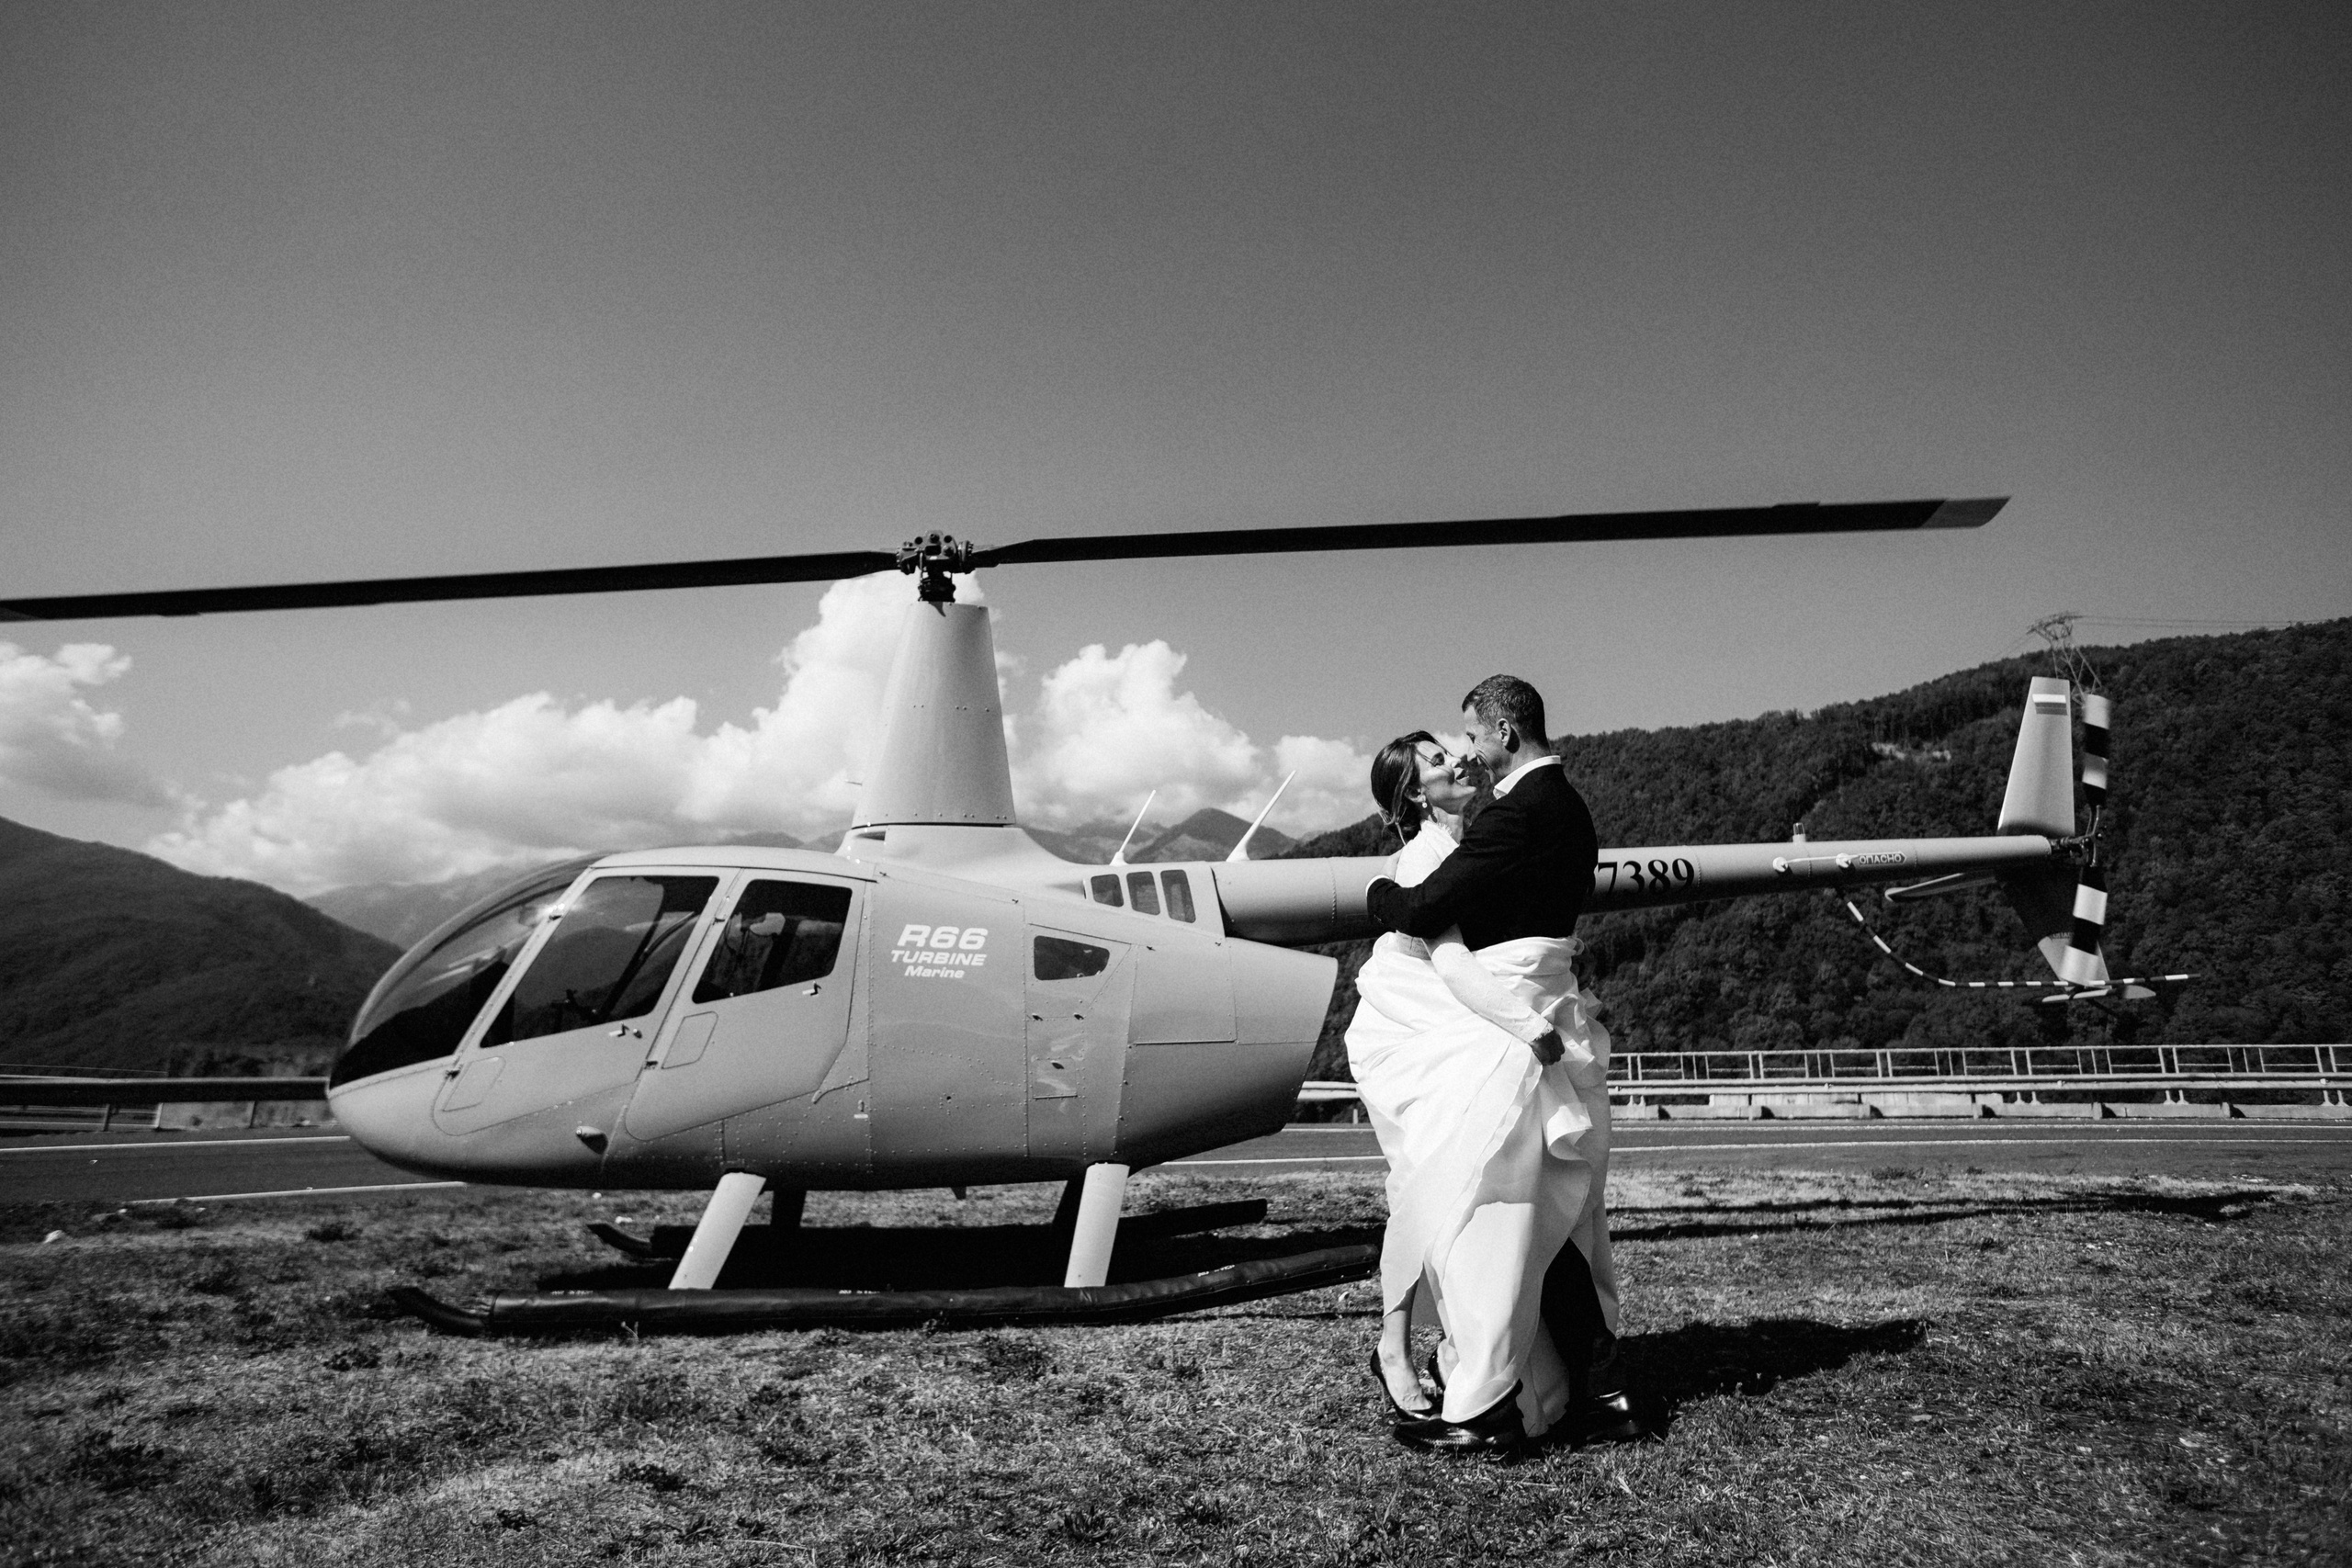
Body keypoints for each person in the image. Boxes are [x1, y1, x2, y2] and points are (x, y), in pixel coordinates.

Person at [1358, 675, 1639, 1453]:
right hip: (1512, 1025)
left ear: (1504, 734)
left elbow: (1425, 914)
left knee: (1506, 1211)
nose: (1466, 755)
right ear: (1413, 795)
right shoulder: (1557, 809)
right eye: (1443, 756)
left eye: (1470, 739)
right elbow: (1463, 934)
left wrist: (1376, 893)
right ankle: (1581, 1387)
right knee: (1530, 1209)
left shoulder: (1513, 816)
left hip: (1510, 1029)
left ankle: (1503, 1398)